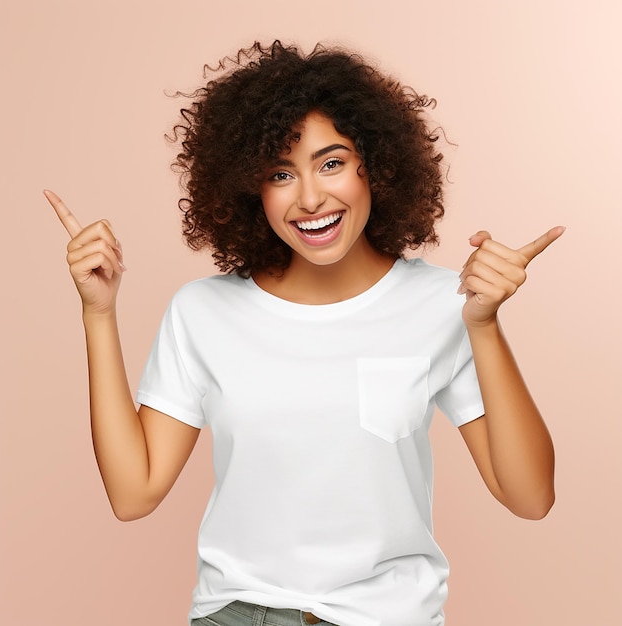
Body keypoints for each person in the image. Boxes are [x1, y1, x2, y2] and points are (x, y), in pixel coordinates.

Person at [46, 40, 563, 626]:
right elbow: (133, 493)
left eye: (332, 162)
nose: (311, 197)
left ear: (379, 166)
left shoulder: (444, 305)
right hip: (236, 616)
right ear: (248, 188)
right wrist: (99, 314)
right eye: (281, 172)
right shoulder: (203, 312)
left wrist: (485, 327)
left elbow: (530, 498)